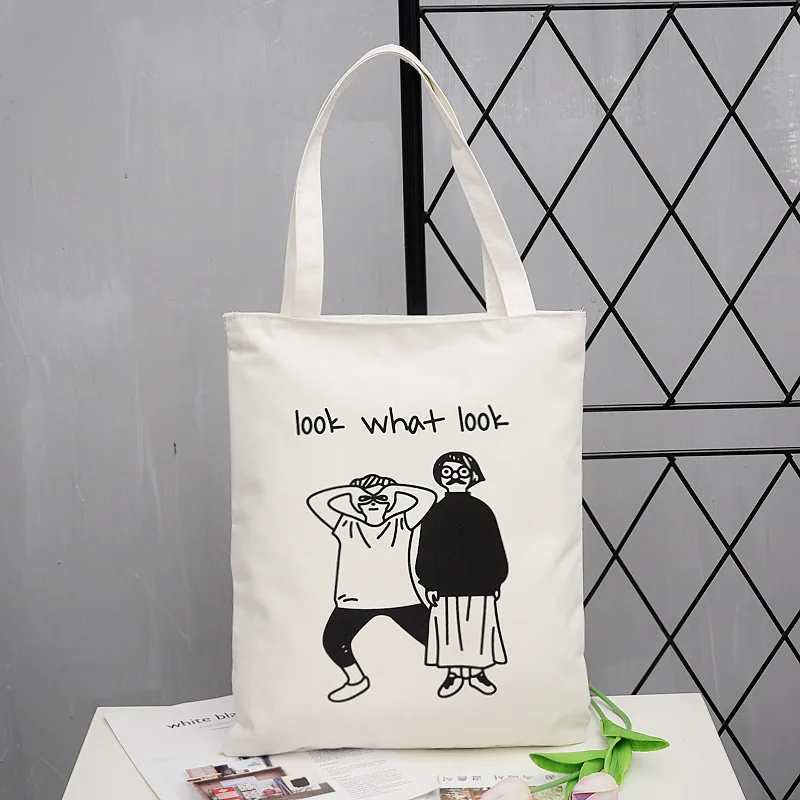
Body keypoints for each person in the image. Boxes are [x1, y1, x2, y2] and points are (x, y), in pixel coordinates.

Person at [307, 474, 436, 702]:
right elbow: (317, 501)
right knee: (334, 642)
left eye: (381, 498)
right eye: (365, 499)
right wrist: (357, 492)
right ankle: (356, 680)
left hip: (401, 597)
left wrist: (390, 490)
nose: (373, 502)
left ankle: (461, 675)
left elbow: (427, 497)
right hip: (354, 601)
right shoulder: (345, 523)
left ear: (392, 501)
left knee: (437, 639)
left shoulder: (402, 521)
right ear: (355, 502)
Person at [415, 452, 508, 698]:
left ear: (472, 475)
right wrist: (428, 583)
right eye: (448, 472)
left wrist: (496, 579)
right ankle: (454, 673)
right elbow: (426, 549)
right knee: (449, 631)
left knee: (477, 628)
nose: (455, 477)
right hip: (445, 587)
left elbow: (494, 547)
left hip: (480, 585)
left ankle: (478, 673)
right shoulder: (434, 512)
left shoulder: (482, 510)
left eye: (462, 472)